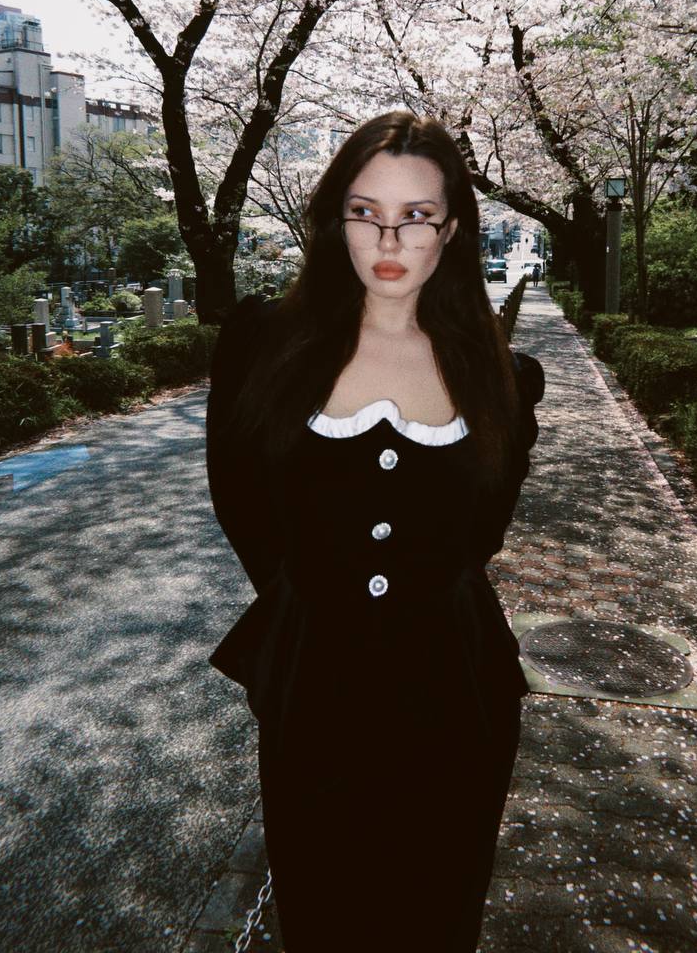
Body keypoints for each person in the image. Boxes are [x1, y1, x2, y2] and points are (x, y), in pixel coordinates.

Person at [206, 111, 544, 953]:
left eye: (416, 215)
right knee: (325, 912)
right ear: (335, 221)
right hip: (313, 686)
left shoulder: (500, 376)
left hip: (456, 689)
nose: (389, 239)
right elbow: (242, 505)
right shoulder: (262, 346)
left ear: (451, 229)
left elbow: (482, 535)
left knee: (436, 913)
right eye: (366, 212)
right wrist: (317, 606)